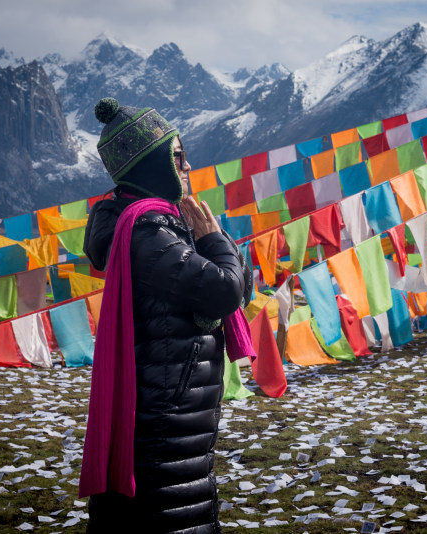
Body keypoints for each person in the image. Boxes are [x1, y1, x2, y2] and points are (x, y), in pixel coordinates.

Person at [79, 98, 254, 533]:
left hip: (174, 406)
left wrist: (212, 244)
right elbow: (226, 289)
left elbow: (232, 289)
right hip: (166, 412)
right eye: (177, 156)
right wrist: (213, 238)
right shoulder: (148, 232)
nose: (188, 164)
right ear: (152, 164)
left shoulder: (158, 225)